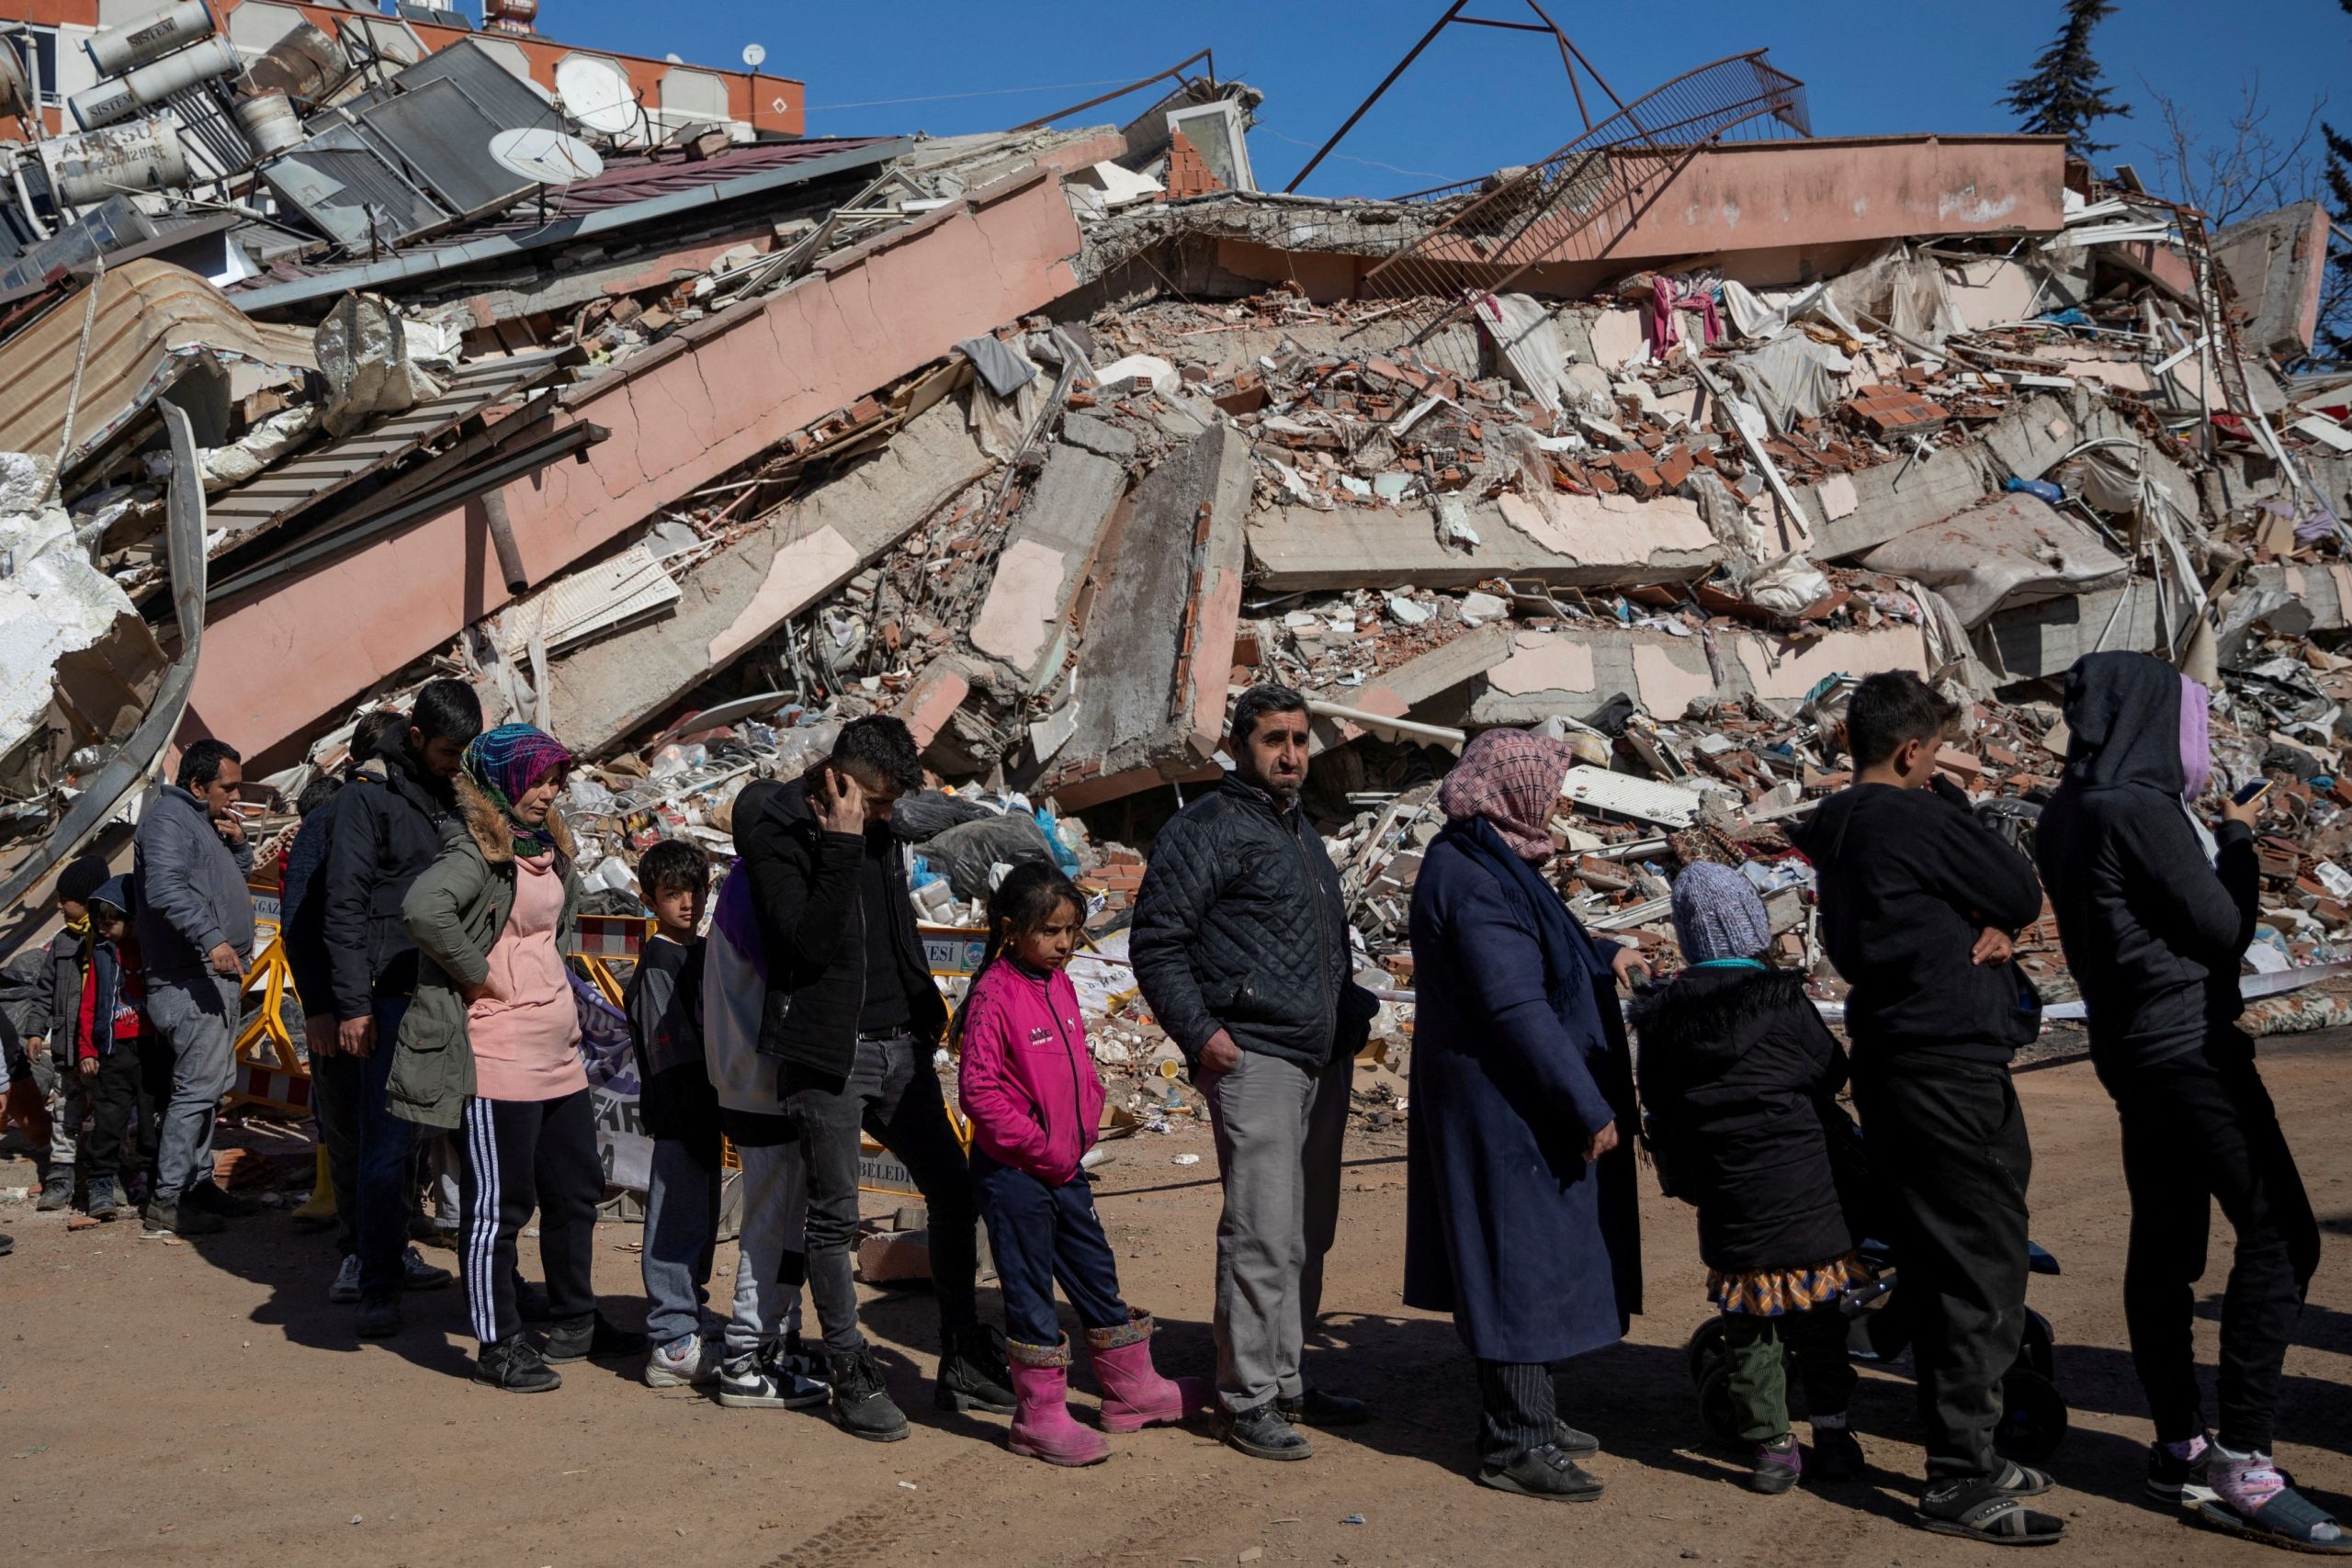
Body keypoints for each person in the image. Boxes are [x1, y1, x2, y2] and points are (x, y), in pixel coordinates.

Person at [2036, 651, 2335, 1551]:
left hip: (2129, 1048)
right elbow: (2222, 930)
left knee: (2165, 1242)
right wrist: (2237, 841)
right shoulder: (2135, 809)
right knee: (2281, 1235)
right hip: (2188, 1051)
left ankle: (2177, 1441)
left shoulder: (2069, 808)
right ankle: (2243, 1462)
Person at [1788, 671, 2060, 1545]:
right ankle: (1959, 1475)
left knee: (1942, 1254)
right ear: (1911, 751)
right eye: (1935, 751)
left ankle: (1968, 1446)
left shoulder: (1834, 829)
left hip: (1898, 1061)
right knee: (1980, 1266)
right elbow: (2018, 891)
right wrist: (1957, 821)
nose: (1941, 764)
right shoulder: (1920, 814)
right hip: (1951, 1069)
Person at [736, 714, 1009, 1440]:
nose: (887, 815)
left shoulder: (881, 830)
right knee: (834, 1215)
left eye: (890, 805)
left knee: (954, 1190)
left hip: (899, 1047)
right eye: (879, 801)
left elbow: (894, 921)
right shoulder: (779, 830)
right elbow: (804, 945)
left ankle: (962, 1350)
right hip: (827, 1052)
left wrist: (924, 997)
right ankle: (849, 1368)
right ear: (842, 779)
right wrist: (840, 844)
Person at [1132, 683, 1381, 1462]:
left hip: (1319, 1055)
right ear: (1241, 743)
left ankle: (1287, 1375)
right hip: (1257, 1057)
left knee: (1307, 1232)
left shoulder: (1298, 827)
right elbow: (1157, 941)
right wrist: (1205, 1036)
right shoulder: (1205, 828)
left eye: (1302, 740)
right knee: (1262, 1232)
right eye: (1276, 739)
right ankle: (1245, 1397)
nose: (1292, 755)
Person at [1402, 727, 1645, 1501]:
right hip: (1500, 1104)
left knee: (1535, 1257)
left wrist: (1600, 953)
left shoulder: (1496, 854)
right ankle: (1515, 1440)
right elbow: (1513, 1003)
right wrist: (1585, 1101)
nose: (1557, 799)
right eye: (1549, 784)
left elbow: (1541, 940)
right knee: (1512, 1261)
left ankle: (1535, 1413)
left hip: (1512, 1101)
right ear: (1515, 789)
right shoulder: (1471, 875)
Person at [392, 722, 645, 1390]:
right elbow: (423, 908)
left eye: (556, 777)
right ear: (502, 779)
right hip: (499, 1053)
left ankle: (575, 1319)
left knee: (574, 1191)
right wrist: (480, 973)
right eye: (537, 777)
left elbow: (549, 935)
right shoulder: (475, 850)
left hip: (558, 1054)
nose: (549, 790)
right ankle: (497, 1341)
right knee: (497, 1209)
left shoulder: (543, 846)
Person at [958, 863, 1205, 1466]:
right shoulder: (994, 992)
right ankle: (1038, 1417)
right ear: (1013, 929)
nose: (1066, 944)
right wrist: (1040, 1147)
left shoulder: (1060, 983)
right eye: (1052, 931)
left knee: (1095, 1270)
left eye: (1072, 930)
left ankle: (1131, 1390)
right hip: (1016, 1174)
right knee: (1029, 1289)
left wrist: (1088, 1115)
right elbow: (979, 1092)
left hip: (1065, 1167)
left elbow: (1077, 1066)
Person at [1634, 862, 1868, 1496]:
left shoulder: (1663, 1017)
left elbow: (1656, 1098)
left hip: (1730, 1196)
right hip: (1809, 1193)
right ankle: (1836, 1435)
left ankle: (1771, 1448)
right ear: (1751, 923)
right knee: (1822, 1323)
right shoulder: (1781, 1000)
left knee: (1752, 1332)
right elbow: (1830, 1068)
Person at [311, 688, 478, 1333]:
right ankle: (379, 1281)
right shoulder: (366, 796)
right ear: (414, 736)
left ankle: (495, 1282)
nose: (451, 763)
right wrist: (351, 1004)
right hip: (391, 994)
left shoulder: (455, 791)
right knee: (385, 1146)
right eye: (443, 751)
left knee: (471, 1142)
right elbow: (343, 904)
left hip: (454, 991)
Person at [699, 855, 830, 1411]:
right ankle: (747, 1355)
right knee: (769, 1225)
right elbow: (794, 962)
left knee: (786, 1223)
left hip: (755, 1081)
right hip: (758, 1083)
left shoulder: (747, 883)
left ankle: (781, 1336)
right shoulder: (758, 889)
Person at [134, 738, 257, 1237]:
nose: (234, 796)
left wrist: (238, 846)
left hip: (213, 978)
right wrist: (211, 940)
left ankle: (198, 1184)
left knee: (209, 1091)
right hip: (190, 980)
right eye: (227, 788)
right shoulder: (168, 821)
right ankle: (168, 1198)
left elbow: (227, 882)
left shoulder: (200, 823)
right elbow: (165, 888)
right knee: (194, 1093)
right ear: (195, 785)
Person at [625, 839, 728, 1392]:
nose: (686, 903)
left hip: (707, 1110)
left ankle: (690, 1313)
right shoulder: (659, 962)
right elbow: (668, 1051)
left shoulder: (704, 950)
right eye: (671, 894)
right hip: (680, 1112)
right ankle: (671, 1339)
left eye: (693, 890)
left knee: (700, 1221)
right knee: (675, 1220)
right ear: (649, 900)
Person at [67, 877, 165, 1223]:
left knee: (155, 1121)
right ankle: (101, 1185)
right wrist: (87, 1050)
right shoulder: (102, 955)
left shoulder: (155, 951)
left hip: (153, 1049)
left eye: (111, 923)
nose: (104, 930)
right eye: (100, 925)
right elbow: (90, 1004)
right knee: (109, 1120)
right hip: (114, 1050)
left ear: (134, 919)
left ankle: (158, 1187)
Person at [28, 852, 108, 1213]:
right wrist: (35, 1031)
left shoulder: (110, 938)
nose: (60, 906)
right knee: (65, 1114)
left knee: (110, 1112)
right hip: (66, 1048)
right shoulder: (62, 943)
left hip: (104, 1050)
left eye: (66, 899)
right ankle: (60, 1178)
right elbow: (44, 991)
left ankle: (109, 1178)